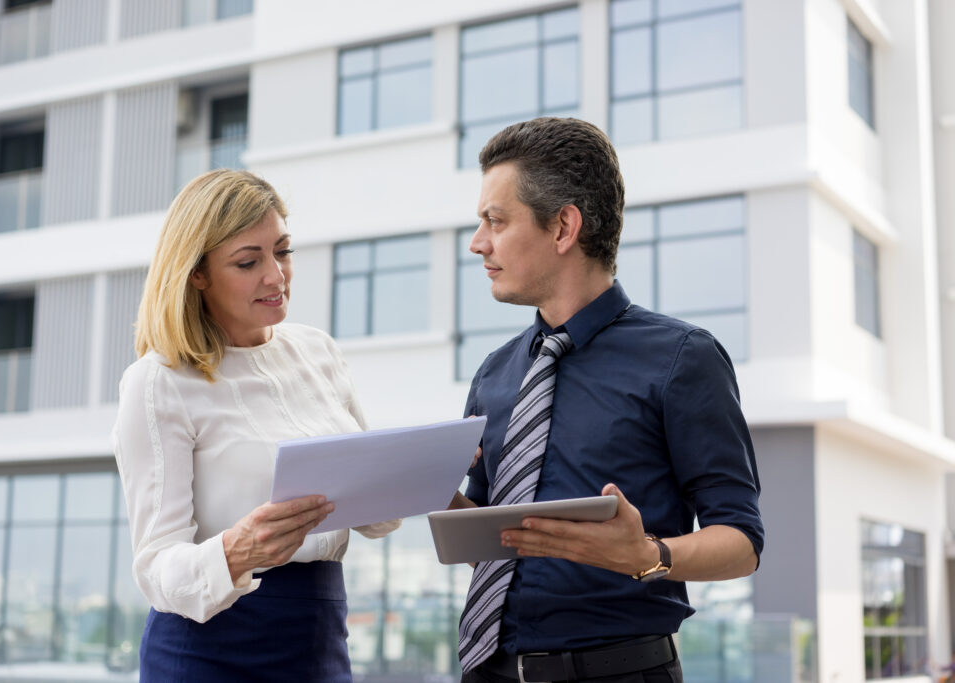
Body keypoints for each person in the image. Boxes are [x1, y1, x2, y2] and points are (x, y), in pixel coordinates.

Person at [452, 117, 764, 683]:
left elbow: (742, 542)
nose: (478, 243)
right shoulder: (494, 374)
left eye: (495, 221)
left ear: (563, 227)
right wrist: (422, 489)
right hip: (488, 670)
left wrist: (648, 555)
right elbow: (492, 545)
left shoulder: (682, 358)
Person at [112, 169, 399, 682]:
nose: (276, 276)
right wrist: (234, 552)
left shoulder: (318, 351)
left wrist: (426, 467)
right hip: (208, 652)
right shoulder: (158, 382)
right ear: (197, 274)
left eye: (283, 252)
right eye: (248, 262)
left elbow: (375, 519)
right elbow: (155, 568)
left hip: (318, 638)